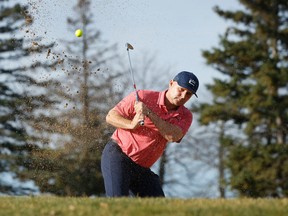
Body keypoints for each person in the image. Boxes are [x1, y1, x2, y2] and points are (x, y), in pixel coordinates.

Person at [101, 71, 199, 197]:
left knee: (159, 208)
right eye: (181, 89)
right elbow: (111, 116)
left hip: (142, 168)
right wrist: (131, 124)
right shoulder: (142, 96)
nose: (183, 96)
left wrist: (149, 113)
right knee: (117, 201)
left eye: (189, 94)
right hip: (118, 155)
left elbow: (172, 136)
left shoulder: (185, 116)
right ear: (171, 84)